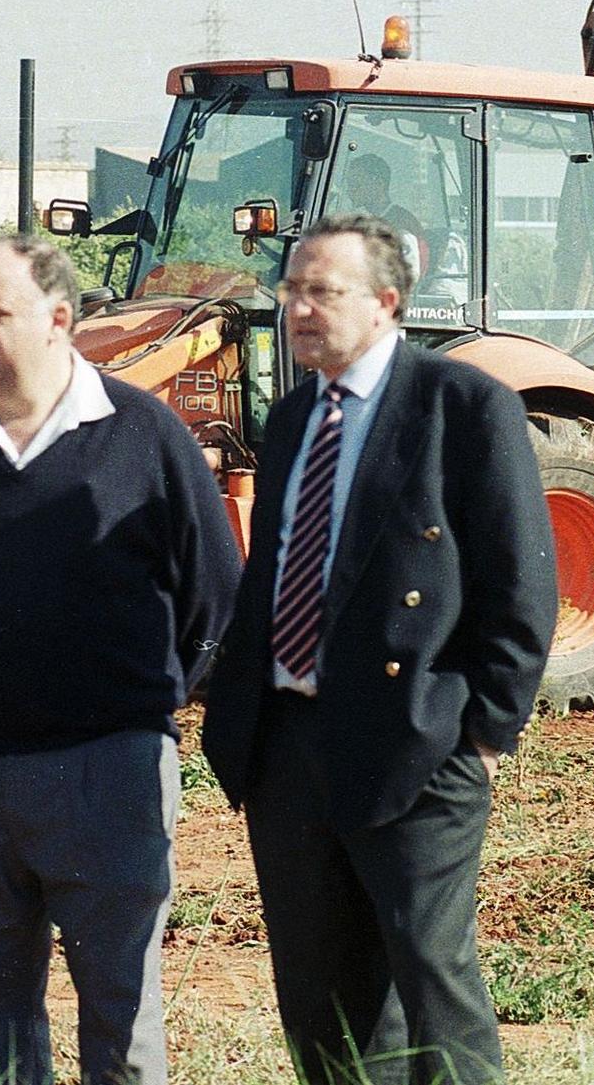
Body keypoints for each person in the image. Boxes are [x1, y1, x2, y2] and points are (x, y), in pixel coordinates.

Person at [201, 216, 555, 1085]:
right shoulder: (291, 421)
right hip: (287, 749)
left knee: (432, 982)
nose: (300, 308)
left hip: (413, 743)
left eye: (324, 291)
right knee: (318, 1000)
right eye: (292, 290)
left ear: (388, 302)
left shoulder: (461, 407)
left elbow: (520, 584)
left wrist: (479, 730)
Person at [0, 235, 242, 1085]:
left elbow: (216, 598)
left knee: (121, 1023)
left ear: (59, 319)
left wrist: (132, 709)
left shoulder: (143, 435)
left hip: (109, 774)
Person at [343, 153, 438, 282]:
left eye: (356, 183)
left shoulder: (402, 222)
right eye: (349, 184)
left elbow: (412, 275)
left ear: (378, 184)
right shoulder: (362, 220)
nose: (350, 190)